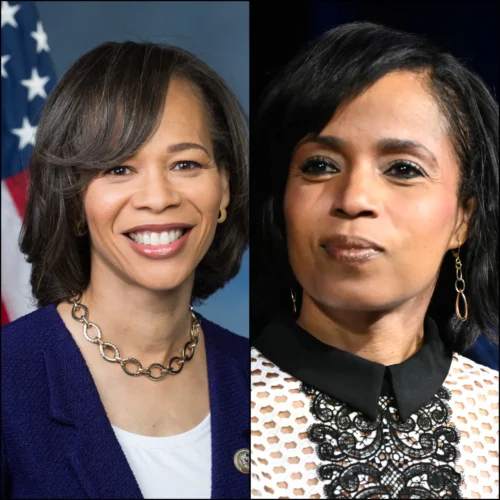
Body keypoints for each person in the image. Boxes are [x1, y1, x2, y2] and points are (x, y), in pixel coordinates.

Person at [250, 22, 498, 499]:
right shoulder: (213, 408)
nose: (354, 197)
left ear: (463, 219)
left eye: (403, 169)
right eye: (320, 165)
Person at [2, 41, 249, 499]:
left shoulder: (271, 384)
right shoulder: (9, 378)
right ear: (74, 201)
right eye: (118, 169)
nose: (157, 197)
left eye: (185, 163)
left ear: (226, 189)